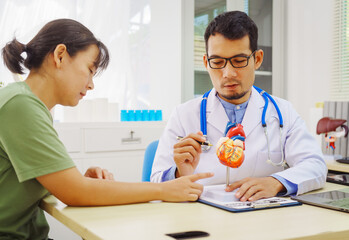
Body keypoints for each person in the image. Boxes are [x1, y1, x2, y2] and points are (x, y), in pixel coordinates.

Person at [0, 19, 213, 240]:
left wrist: (80, 181)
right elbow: (75, 192)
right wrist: (164, 190)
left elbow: (64, 186)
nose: (91, 84)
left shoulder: (28, 104)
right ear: (60, 55)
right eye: (90, 70)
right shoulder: (20, 105)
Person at [151, 11, 327, 202]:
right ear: (206, 63)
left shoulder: (282, 112)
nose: (228, 73)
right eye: (217, 62)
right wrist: (178, 172)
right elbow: (156, 181)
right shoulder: (184, 115)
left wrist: (276, 182)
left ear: (257, 59)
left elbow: (315, 165)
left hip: (264, 216)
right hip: (203, 216)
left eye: (239, 61)